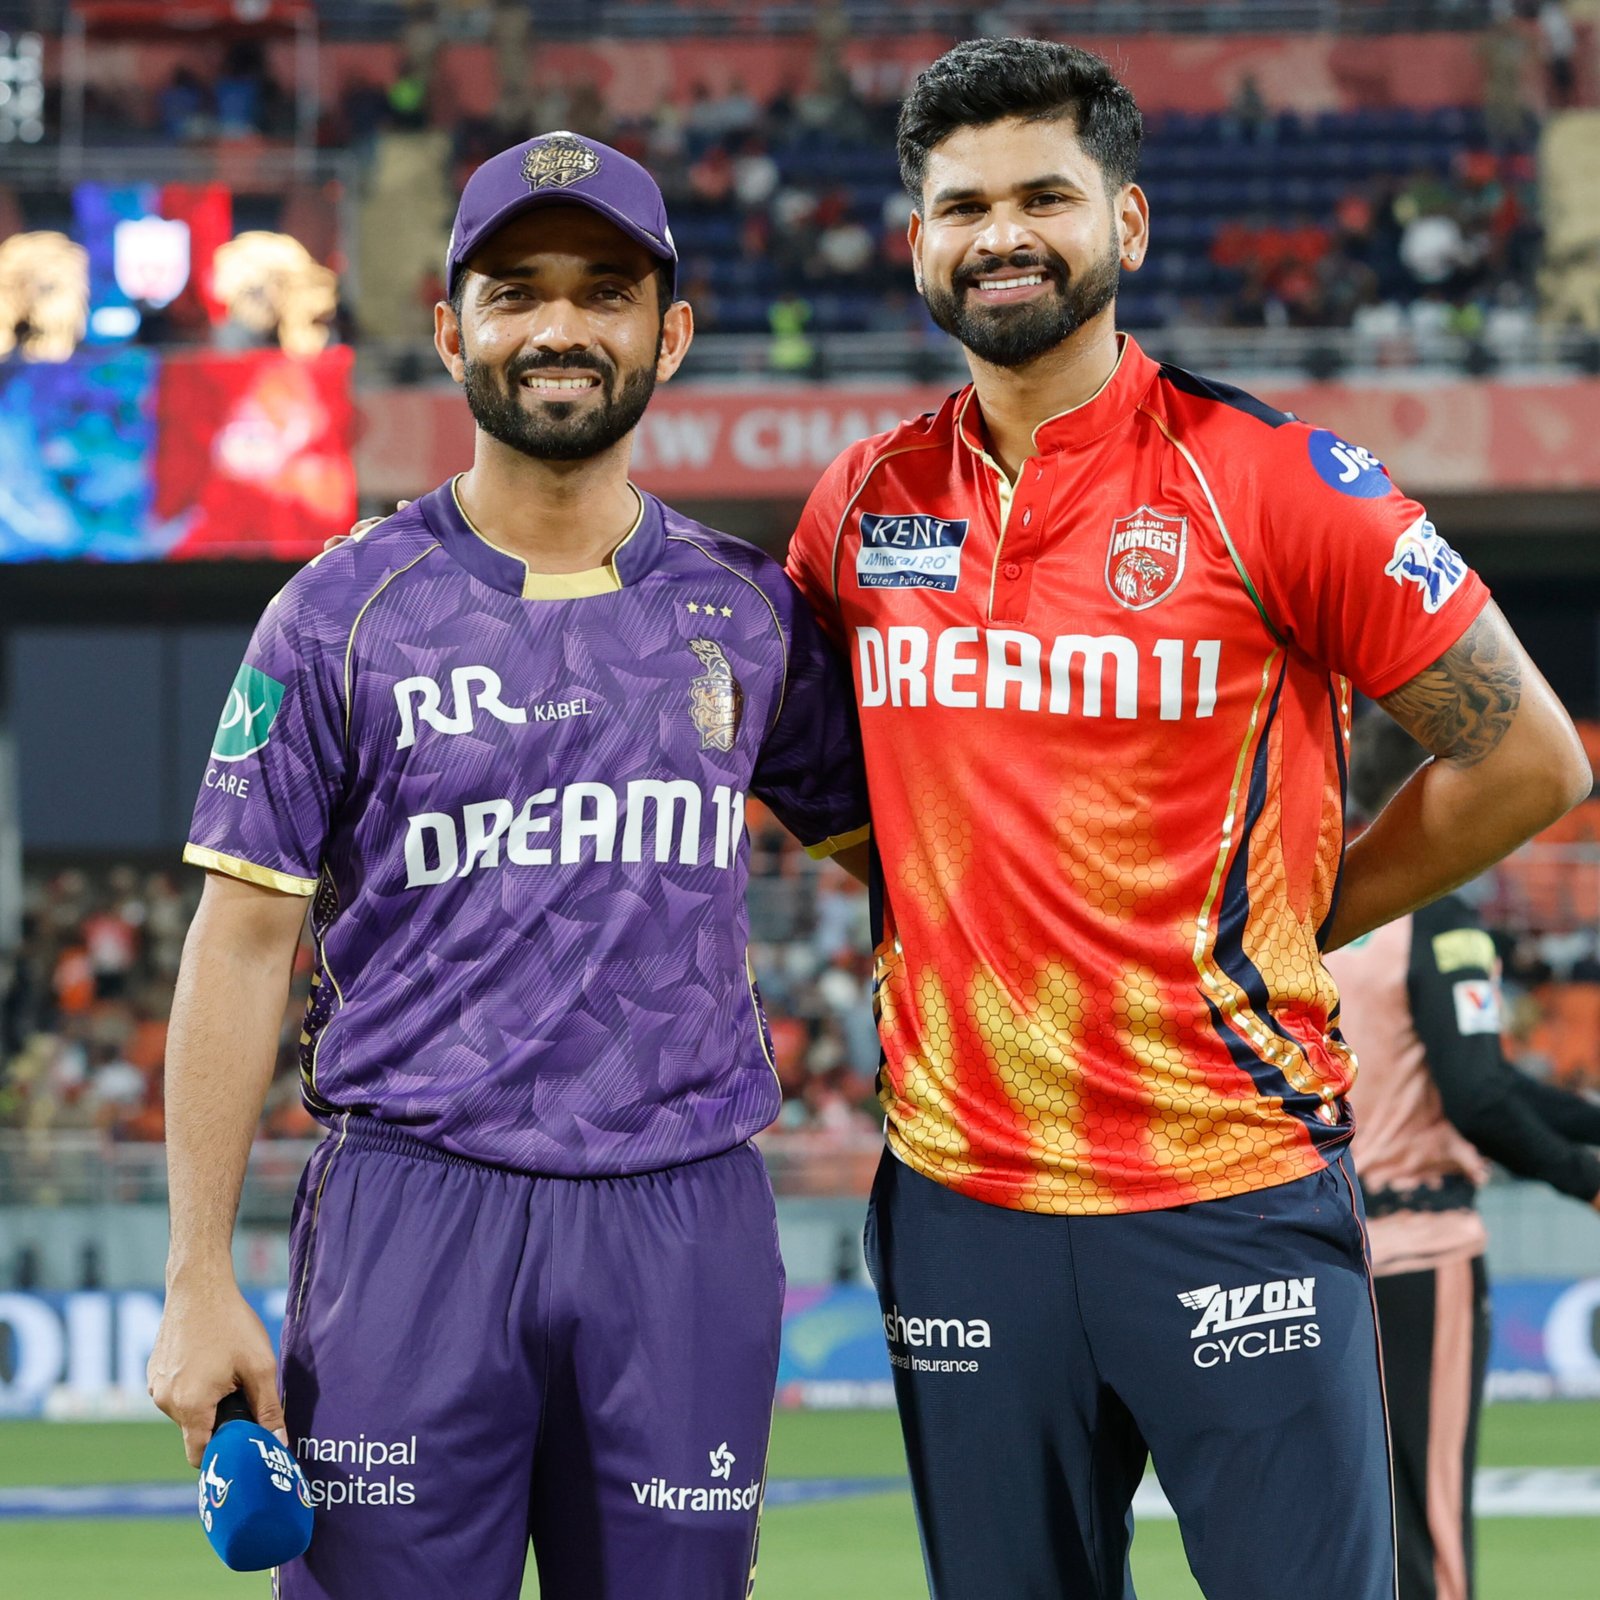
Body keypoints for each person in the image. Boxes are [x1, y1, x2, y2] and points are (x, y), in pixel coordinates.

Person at [782, 38, 1591, 1600]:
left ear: (1128, 223)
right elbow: (820, 772)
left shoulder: (1275, 481)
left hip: (1230, 1187)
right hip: (961, 1205)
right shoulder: (861, 508)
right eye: (963, 207)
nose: (1002, 235)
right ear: (917, 241)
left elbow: (1531, 756)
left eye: (1044, 197)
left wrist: (1317, 910)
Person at [146, 132, 870, 1600]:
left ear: (670, 332)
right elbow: (238, 942)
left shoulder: (750, 611)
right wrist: (195, 1273)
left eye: (604, 291)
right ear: (448, 328)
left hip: (682, 1219)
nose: (558, 326)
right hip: (413, 1216)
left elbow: (915, 867)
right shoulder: (338, 614)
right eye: (515, 290)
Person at [1324, 712, 1600, 1600]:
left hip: (1319, 1246)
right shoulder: (1440, 922)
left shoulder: (1316, 909)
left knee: (1350, 1524)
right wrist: (1585, 1178)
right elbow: (1478, 1095)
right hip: (1419, 1251)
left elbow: (1486, 1084)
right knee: (1429, 1526)